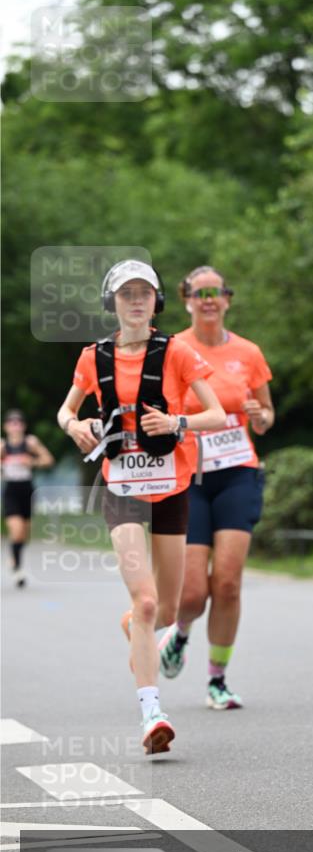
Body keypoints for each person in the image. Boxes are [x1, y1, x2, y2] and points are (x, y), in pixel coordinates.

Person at [57, 259, 225, 754]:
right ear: (112, 302)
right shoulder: (94, 357)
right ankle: (152, 713)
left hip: (171, 486)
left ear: (156, 302)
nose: (136, 301)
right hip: (122, 489)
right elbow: (68, 409)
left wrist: (177, 424)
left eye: (144, 293)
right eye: (126, 293)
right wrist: (75, 426)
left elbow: (215, 412)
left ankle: (136, 629)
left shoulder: (178, 352)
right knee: (148, 600)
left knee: (165, 610)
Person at [158, 265, 274, 711]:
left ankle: (217, 679)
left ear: (226, 299)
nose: (208, 299)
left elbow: (265, 414)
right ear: (186, 299)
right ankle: (181, 632)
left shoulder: (247, 352)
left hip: (238, 472)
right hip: (187, 477)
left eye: (215, 292)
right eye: (198, 292)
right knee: (192, 593)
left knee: (227, 583)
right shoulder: (171, 351)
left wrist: (261, 418)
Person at [1, 409, 54, 587]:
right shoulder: (2, 446)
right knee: (16, 530)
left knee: (24, 533)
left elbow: (48, 459)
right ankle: (17, 567)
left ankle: (15, 557)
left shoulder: (30, 442)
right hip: (11, 490)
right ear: (5, 426)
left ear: (23, 425)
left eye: (18, 422)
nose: (15, 426)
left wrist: (31, 462)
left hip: (27, 489)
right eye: (11, 422)